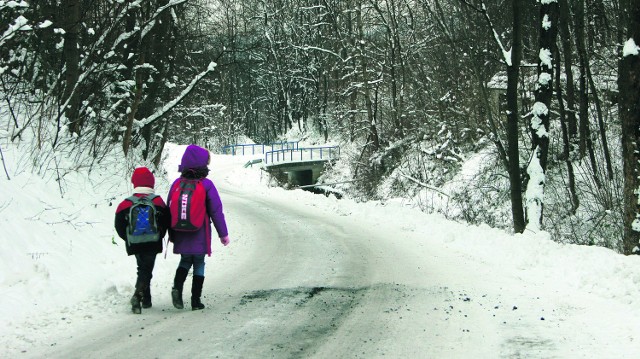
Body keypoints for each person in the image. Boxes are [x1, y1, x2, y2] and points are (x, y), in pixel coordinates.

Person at [167, 144, 229, 311]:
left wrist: (170, 232)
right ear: (203, 163)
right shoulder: (207, 184)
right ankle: (196, 301)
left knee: (185, 260)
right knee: (199, 263)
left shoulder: (177, 184)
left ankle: (177, 289)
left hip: (180, 231)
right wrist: (223, 234)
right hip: (199, 232)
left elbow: (169, 208)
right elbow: (216, 212)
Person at [114, 167, 170, 314]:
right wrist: (159, 235)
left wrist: (129, 238)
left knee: (143, 268)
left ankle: (147, 299)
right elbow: (166, 221)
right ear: (151, 183)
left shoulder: (126, 203)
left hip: (135, 242)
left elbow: (118, 224)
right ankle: (137, 296)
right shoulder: (157, 201)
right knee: (146, 269)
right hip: (152, 241)